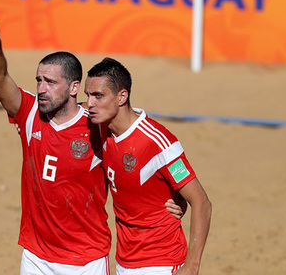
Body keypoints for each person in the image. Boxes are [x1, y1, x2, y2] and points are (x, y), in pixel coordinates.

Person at [0, 11, 185, 275]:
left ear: (74, 88)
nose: (41, 88)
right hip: (35, 256)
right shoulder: (30, 114)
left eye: (51, 82)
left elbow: (140, 152)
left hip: (86, 260)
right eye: (39, 80)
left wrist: (177, 197)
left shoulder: (97, 124)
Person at [84, 58, 212, 275]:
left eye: (98, 95)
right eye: (87, 95)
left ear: (122, 96)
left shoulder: (159, 143)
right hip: (125, 262)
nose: (89, 103)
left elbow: (202, 202)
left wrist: (191, 265)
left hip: (161, 262)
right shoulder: (102, 130)